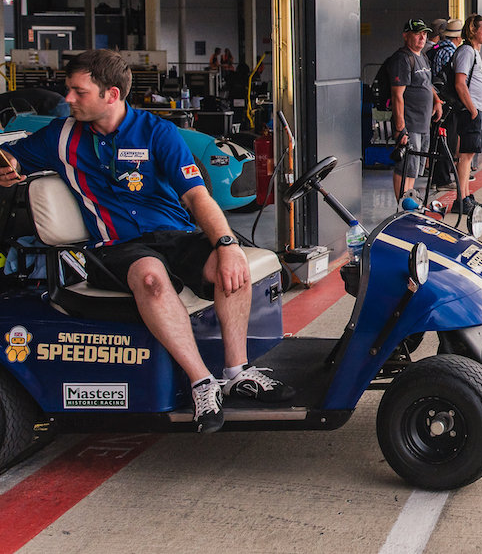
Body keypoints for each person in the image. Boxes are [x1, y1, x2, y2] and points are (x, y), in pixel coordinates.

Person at [0, 49, 295, 433]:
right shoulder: (60, 137)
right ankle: (202, 382)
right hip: (116, 247)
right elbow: (11, 155)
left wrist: (226, 244)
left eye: (78, 91)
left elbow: (196, 196)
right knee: (152, 278)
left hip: (175, 235)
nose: (68, 99)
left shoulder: (158, 132)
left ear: (111, 95)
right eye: (68, 91)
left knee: (230, 267)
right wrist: (7, 167)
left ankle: (237, 373)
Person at [388, 19, 442, 200]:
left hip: (423, 123)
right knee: (405, 167)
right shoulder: (403, 59)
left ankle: (409, 203)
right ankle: (403, 206)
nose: (422, 37)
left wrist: (436, 101)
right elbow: (397, 96)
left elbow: (427, 84)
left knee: (415, 168)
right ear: (406, 35)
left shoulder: (422, 56)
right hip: (409, 124)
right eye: (417, 33)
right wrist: (401, 128)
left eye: (425, 34)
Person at [454, 14, 482, 212]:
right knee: (465, 157)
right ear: (472, 30)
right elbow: (460, 83)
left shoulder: (474, 52)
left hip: (475, 110)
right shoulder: (467, 51)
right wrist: (473, 110)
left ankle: (466, 196)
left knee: (469, 157)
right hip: (470, 112)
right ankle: (461, 200)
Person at [428, 19, 462, 187]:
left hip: (435, 99)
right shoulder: (451, 52)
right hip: (447, 102)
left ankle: (438, 176)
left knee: (438, 138)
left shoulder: (435, 49)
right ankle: (443, 178)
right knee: (447, 140)